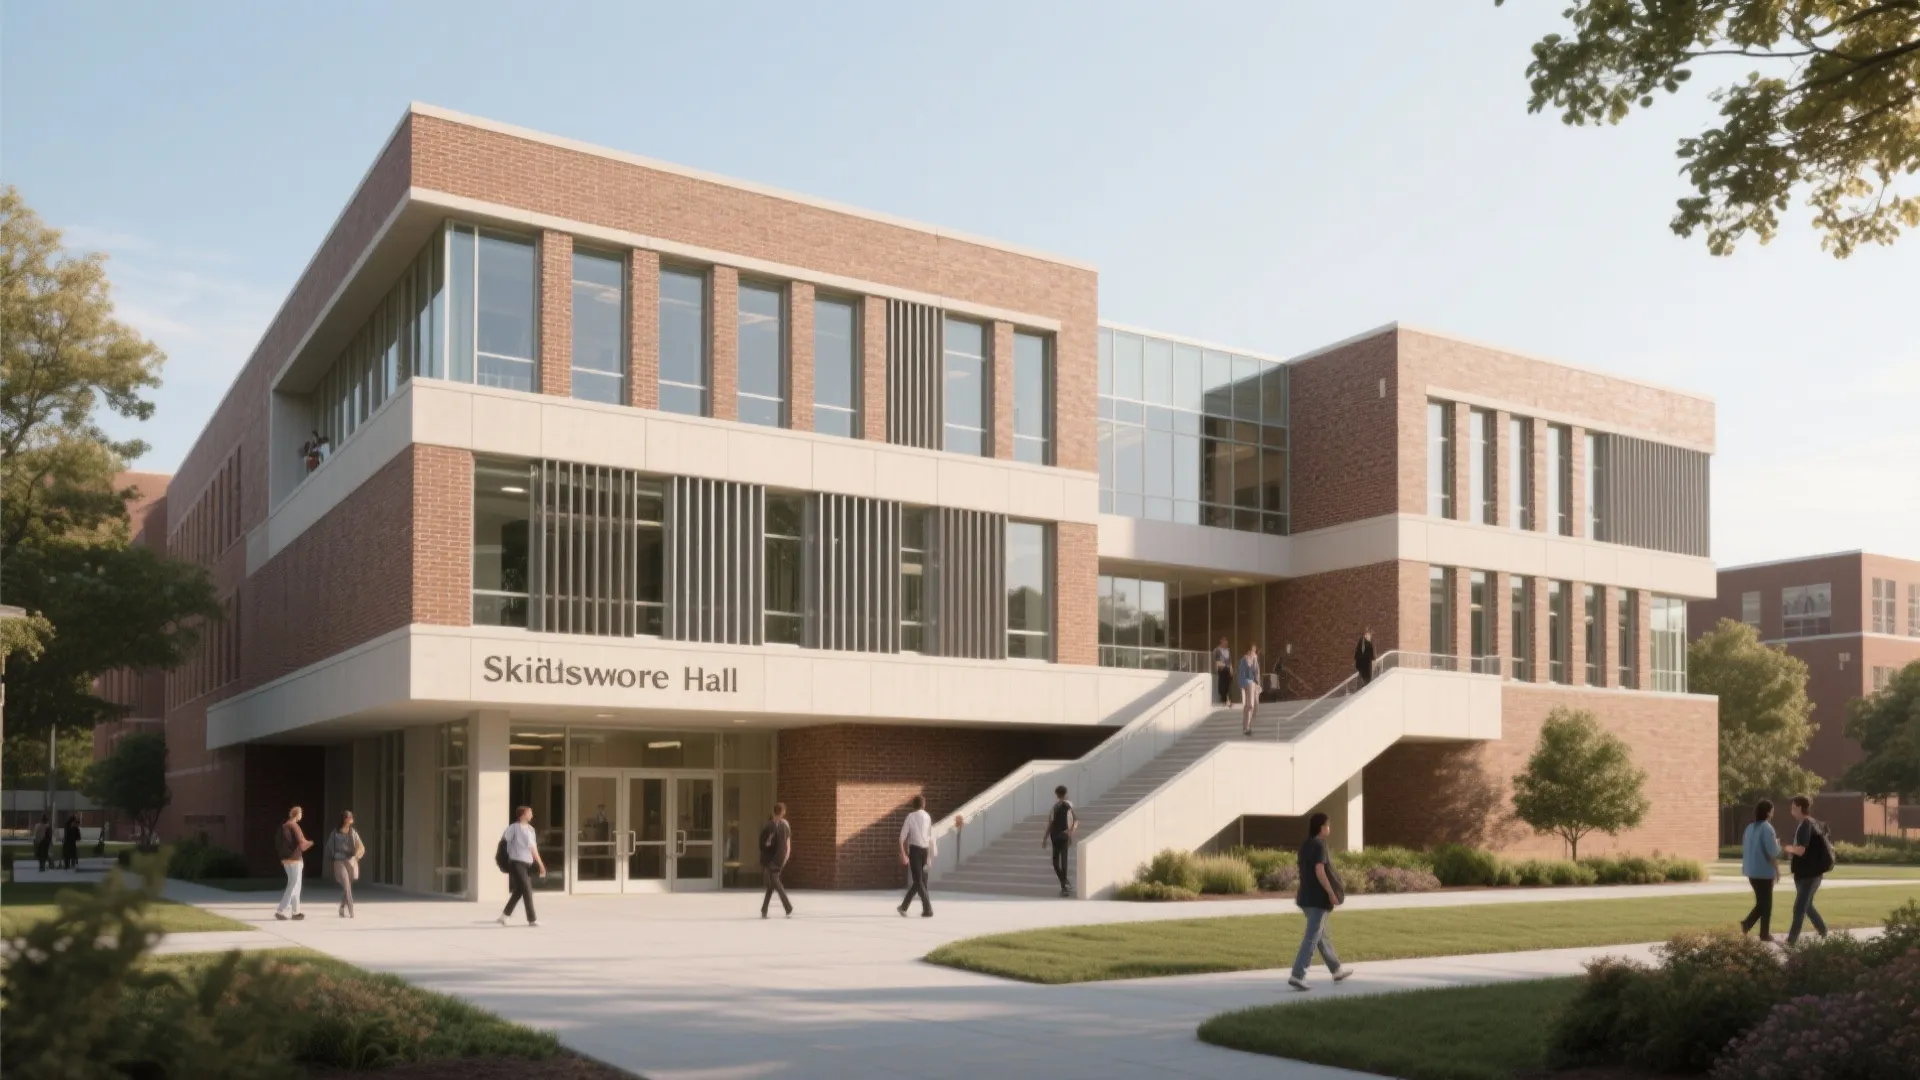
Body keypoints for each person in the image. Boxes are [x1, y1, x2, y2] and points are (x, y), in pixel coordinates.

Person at [1288, 812, 1355, 991]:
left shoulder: (1305, 845)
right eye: (1328, 825)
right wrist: (1331, 893)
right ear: (1322, 827)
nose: (1329, 828)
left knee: (1321, 936)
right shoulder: (1320, 845)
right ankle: (1298, 975)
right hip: (1317, 899)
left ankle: (1336, 970)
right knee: (1312, 937)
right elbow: (1320, 871)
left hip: (1305, 897)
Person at [1781, 794, 1831, 945]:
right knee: (1806, 906)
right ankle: (1823, 931)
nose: (1791, 811)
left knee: (1799, 908)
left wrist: (1786, 847)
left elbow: (1801, 850)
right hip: (1807, 873)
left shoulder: (1805, 825)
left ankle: (1791, 941)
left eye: (1794, 808)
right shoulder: (1813, 823)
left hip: (1810, 874)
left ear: (1801, 808)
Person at [1738, 799, 1781, 941]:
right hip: (1764, 871)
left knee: (1761, 903)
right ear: (1768, 812)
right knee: (1766, 904)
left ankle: (1749, 926)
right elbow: (1772, 852)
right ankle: (1758, 931)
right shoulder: (1767, 828)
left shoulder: (1749, 828)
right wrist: (1777, 869)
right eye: (1772, 810)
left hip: (1751, 870)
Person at [498, 805, 546, 927]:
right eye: (530, 813)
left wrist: (536, 862)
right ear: (523, 815)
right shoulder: (514, 828)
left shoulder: (530, 829)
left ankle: (504, 915)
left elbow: (533, 848)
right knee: (527, 890)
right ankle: (532, 919)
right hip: (516, 863)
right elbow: (506, 841)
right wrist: (540, 864)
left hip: (527, 863)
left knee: (519, 891)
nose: (532, 815)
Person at [896, 794, 935, 918]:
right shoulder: (928, 817)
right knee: (921, 881)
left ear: (913, 805)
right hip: (925, 851)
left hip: (915, 852)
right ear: (923, 805)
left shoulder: (911, 816)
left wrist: (903, 853)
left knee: (918, 881)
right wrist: (930, 856)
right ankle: (904, 907)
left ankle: (928, 909)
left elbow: (902, 837)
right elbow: (931, 837)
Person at [274, 806, 313, 921]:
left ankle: (296, 912)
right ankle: (281, 910)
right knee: (294, 885)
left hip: (285, 860)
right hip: (295, 859)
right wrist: (310, 843)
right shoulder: (294, 826)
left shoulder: (283, 827)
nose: (301, 815)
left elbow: (277, 843)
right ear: (298, 814)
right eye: (301, 813)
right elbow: (302, 843)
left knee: (296, 885)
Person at [326, 810, 366, 919]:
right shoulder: (335, 832)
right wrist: (333, 856)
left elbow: (360, 846)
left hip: (350, 861)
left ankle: (342, 907)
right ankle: (351, 910)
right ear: (345, 819)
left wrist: (356, 856)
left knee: (348, 886)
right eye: (349, 817)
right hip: (339, 861)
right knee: (346, 885)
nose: (351, 819)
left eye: (351, 817)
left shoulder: (353, 832)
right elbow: (329, 846)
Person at [1040, 785, 1077, 897]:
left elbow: (1050, 824)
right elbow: (1076, 821)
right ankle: (1064, 884)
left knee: (1056, 862)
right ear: (1065, 794)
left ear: (1057, 795)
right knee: (1063, 861)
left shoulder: (1055, 807)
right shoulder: (1068, 806)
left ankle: (1064, 885)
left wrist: (1045, 838)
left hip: (1055, 836)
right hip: (1063, 836)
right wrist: (1071, 831)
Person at [759, 803, 793, 919]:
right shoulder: (772, 826)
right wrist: (785, 857)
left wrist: (784, 858)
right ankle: (786, 907)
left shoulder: (781, 826)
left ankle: (766, 909)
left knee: (773, 884)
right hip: (773, 860)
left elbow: (762, 844)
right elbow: (787, 845)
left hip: (775, 860)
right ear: (783, 812)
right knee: (774, 884)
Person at [1239, 644, 1262, 735]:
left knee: (1249, 706)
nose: (1254, 653)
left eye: (1254, 651)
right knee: (1250, 705)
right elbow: (1241, 674)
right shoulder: (1243, 660)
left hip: (1252, 684)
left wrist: (1258, 684)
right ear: (1249, 651)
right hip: (1247, 683)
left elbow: (1257, 673)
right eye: (1252, 651)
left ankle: (1246, 725)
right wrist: (1243, 685)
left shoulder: (1254, 660)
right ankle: (1247, 726)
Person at [1212, 637, 1233, 705]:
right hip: (1222, 670)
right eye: (1225, 642)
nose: (1226, 644)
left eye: (1226, 643)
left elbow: (1230, 661)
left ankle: (1228, 699)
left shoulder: (1228, 650)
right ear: (1221, 642)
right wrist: (1219, 666)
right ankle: (1223, 699)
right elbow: (1216, 661)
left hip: (1227, 670)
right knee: (1222, 685)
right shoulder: (1217, 650)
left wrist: (1231, 668)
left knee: (1228, 685)